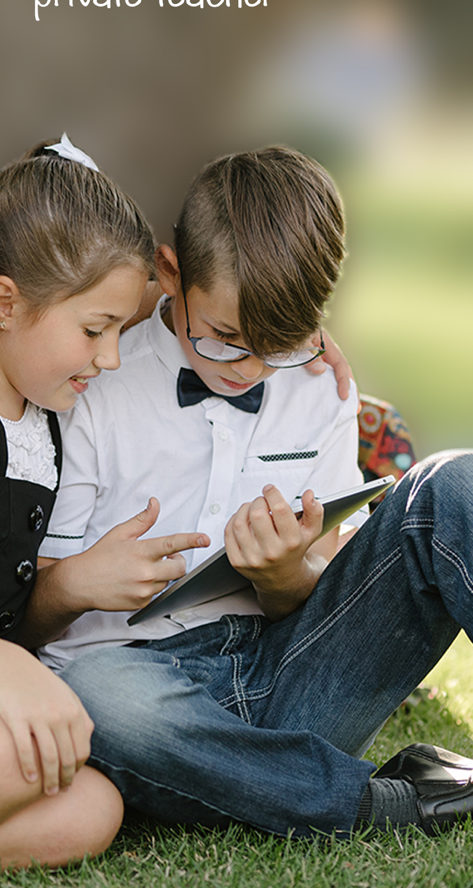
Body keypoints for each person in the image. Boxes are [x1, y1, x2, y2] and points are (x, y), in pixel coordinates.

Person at [21, 146, 473, 839]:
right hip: (136, 692)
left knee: (454, 483)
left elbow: (311, 592)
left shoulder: (319, 385)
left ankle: (258, 778)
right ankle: (371, 804)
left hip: (287, 674)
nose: (251, 370)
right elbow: (28, 619)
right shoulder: (92, 382)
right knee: (98, 693)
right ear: (169, 274)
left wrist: (282, 573)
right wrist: (79, 582)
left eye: (281, 345)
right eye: (226, 340)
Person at [0, 134, 212, 869]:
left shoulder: (49, 413)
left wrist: (305, 335)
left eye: (120, 329)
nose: (113, 358)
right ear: (4, 301)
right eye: (95, 330)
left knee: (92, 807)